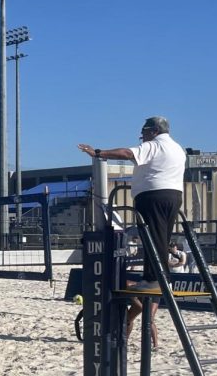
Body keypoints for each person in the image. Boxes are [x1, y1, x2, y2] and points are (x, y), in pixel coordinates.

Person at [78, 116, 186, 290]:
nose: (142, 136)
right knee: (162, 238)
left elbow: (127, 153)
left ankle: (155, 280)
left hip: (153, 196)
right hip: (174, 195)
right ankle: (158, 278)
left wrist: (98, 152)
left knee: (151, 238)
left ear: (154, 131)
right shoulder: (178, 148)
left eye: (143, 132)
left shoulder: (154, 145)